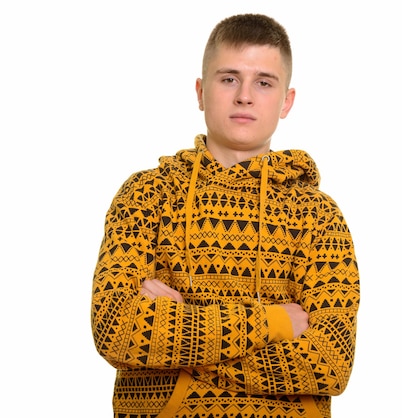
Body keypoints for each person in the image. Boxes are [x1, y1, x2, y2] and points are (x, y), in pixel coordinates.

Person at [91, 13, 360, 418]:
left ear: (286, 101)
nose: (244, 96)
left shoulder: (319, 216)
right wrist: (273, 322)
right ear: (201, 92)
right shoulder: (148, 195)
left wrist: (178, 335)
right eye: (229, 78)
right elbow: (115, 327)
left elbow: (329, 365)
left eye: (264, 82)